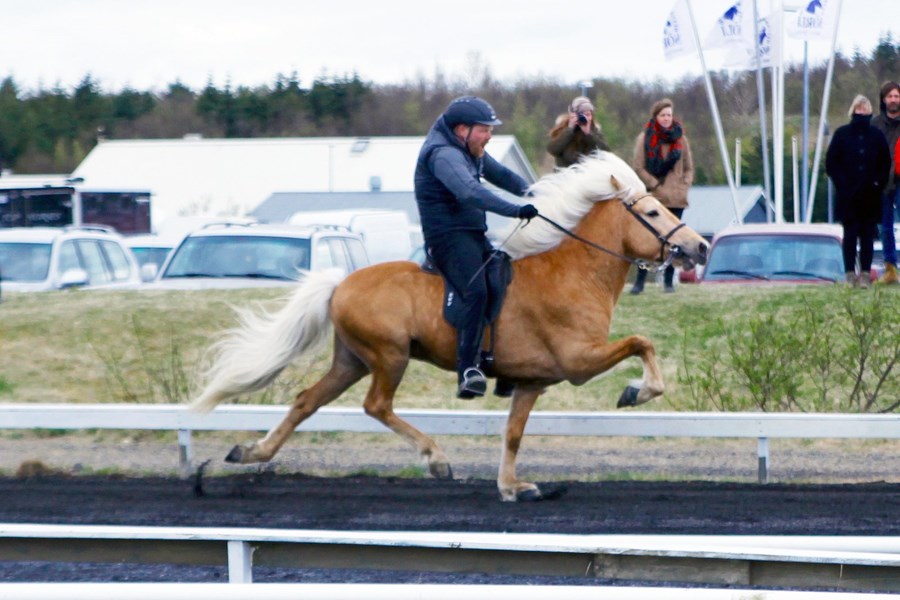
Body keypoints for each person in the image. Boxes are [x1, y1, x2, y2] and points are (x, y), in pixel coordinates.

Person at [414, 96, 538, 399]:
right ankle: (468, 369)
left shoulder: (472, 150)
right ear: (462, 130)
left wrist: (540, 192)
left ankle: (503, 364)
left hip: (472, 233)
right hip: (447, 238)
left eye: (490, 130)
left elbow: (504, 176)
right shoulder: (443, 155)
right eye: (484, 129)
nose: (489, 135)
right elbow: (470, 193)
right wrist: (515, 210)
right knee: (476, 291)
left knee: (503, 278)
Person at [825, 94, 891, 288]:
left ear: (870, 111)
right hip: (848, 196)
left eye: (865, 108)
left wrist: (877, 183)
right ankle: (849, 275)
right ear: (853, 110)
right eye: (859, 108)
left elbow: (884, 162)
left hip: (870, 196)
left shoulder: (876, 135)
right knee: (850, 236)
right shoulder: (841, 134)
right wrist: (842, 184)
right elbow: (831, 163)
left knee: (867, 237)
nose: (862, 112)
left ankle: (864, 275)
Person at [630, 98, 694, 294]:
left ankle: (668, 283)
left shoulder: (681, 138)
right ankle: (639, 282)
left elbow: (689, 167)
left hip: (677, 198)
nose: (666, 118)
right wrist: (654, 184)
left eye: (669, 115)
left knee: (674, 242)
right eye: (663, 115)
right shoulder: (645, 138)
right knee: (649, 240)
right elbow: (639, 167)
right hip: (655, 198)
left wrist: (684, 184)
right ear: (656, 116)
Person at [872, 80, 900, 285]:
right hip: (881, 181)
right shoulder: (875, 124)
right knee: (885, 226)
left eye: (896, 96)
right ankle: (890, 268)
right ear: (884, 99)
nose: (893, 99)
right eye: (890, 96)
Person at [546, 96, 610, 168]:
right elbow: (552, 149)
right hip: (564, 175)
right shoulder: (563, 128)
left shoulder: (594, 131)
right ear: (574, 115)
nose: (585, 118)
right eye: (582, 115)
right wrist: (569, 130)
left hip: (588, 175)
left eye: (588, 115)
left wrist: (588, 134)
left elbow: (605, 153)